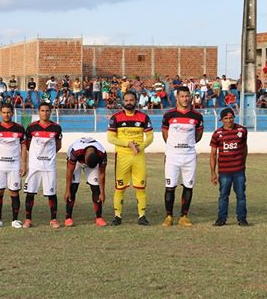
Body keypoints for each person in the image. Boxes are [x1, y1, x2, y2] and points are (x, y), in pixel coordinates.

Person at [106, 91, 154, 226]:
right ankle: (117, 216)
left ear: (136, 101)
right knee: (120, 188)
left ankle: (142, 216)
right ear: (123, 101)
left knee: (140, 187)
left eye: (131, 100)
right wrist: (128, 144)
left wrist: (140, 147)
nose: (129, 103)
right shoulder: (115, 118)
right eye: (126, 100)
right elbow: (110, 138)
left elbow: (150, 137)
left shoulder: (143, 117)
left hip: (138, 156)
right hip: (122, 157)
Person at [161, 86, 204, 226]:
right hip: (173, 156)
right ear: (177, 97)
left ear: (190, 97)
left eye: (187, 96)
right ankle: (168, 216)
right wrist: (173, 147)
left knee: (188, 186)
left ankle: (184, 216)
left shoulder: (197, 116)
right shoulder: (169, 115)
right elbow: (165, 135)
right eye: (182, 96)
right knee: (170, 187)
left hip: (189, 156)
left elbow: (198, 136)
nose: (185, 99)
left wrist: (187, 145)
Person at [22, 101, 62, 228]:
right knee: (30, 192)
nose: (45, 113)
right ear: (39, 112)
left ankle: (53, 219)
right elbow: (27, 145)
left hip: (49, 166)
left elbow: (58, 145)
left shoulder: (56, 127)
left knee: (51, 193)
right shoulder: (31, 127)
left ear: (51, 112)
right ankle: (28, 220)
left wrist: (48, 156)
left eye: (47, 111)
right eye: (42, 111)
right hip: (34, 165)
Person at [0, 103, 25, 229]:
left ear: (12, 113)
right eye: (4, 112)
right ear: (0, 113)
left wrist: (24, 164)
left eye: (8, 112)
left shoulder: (19, 128)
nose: (6, 114)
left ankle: (15, 220)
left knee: (14, 192)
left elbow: (24, 147)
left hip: (14, 166)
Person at [210, 108, 249, 227]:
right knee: (223, 195)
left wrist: (243, 163)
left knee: (241, 195)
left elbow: (245, 148)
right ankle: (221, 219)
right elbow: (213, 154)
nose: (229, 120)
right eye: (226, 118)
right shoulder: (217, 134)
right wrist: (213, 173)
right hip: (224, 171)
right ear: (221, 120)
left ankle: (242, 219)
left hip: (238, 170)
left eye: (231, 117)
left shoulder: (242, 130)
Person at [63, 137, 108, 227]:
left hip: (91, 161)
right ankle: (68, 218)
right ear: (85, 156)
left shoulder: (102, 153)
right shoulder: (75, 151)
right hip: (77, 162)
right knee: (73, 187)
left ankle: (99, 217)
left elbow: (102, 174)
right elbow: (69, 171)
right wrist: (67, 190)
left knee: (96, 188)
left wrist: (102, 192)